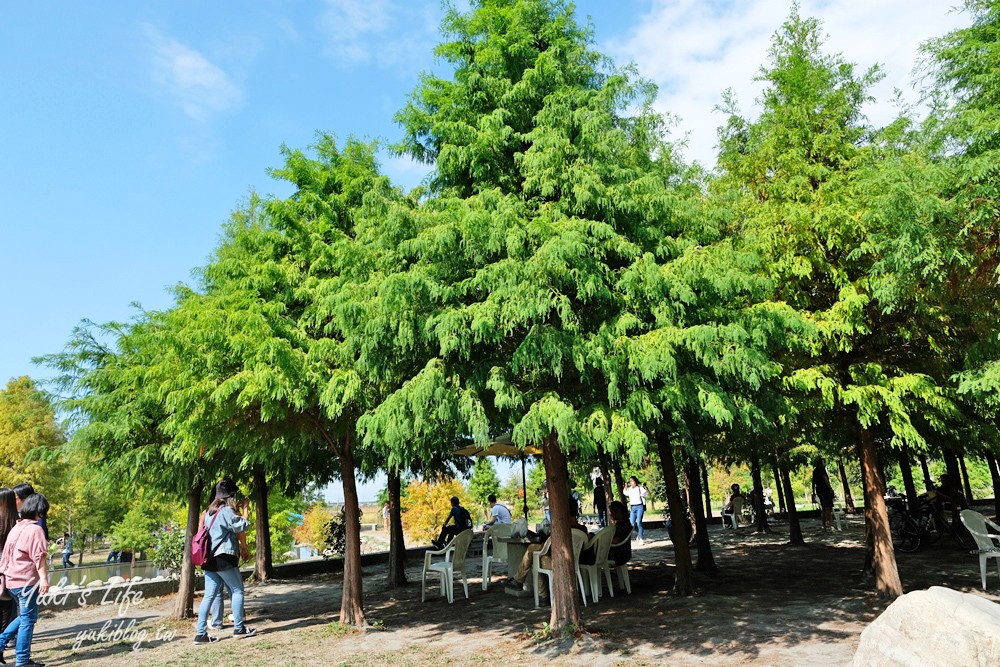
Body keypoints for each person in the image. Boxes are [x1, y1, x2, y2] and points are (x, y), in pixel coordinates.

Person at [194, 479, 256, 643]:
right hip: (223, 557)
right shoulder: (226, 510)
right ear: (230, 496)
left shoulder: (208, 512)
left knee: (208, 596)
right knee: (237, 590)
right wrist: (245, 508)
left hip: (209, 559)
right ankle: (239, 628)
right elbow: (242, 526)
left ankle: (200, 634)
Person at [0, 493, 51, 666]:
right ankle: (22, 661)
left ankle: (1, 644)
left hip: (12, 581)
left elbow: (6, 556)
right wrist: (44, 579)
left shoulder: (17, 527)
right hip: (26, 582)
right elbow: (39, 558)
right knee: (28, 621)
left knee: (25, 617)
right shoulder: (35, 529)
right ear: (40, 510)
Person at [0, 489, 19, 649]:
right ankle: (5, 642)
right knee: (8, 607)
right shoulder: (18, 522)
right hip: (12, 570)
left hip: (4, 567)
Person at [623, 476, 649, 544]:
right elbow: (625, 493)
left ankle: (641, 538)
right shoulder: (629, 489)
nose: (631, 483)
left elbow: (646, 494)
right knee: (632, 523)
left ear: (635, 481)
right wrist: (625, 486)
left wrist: (645, 488)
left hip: (640, 507)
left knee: (639, 522)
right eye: (630, 481)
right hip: (633, 508)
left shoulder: (639, 488)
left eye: (632, 481)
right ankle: (639, 533)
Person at [812, 459, 836, 530]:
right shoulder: (822, 471)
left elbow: (813, 482)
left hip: (819, 491)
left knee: (823, 508)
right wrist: (830, 488)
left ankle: (824, 525)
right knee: (828, 508)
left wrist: (813, 491)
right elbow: (825, 479)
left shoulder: (815, 471)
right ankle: (828, 524)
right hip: (825, 491)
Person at [608, 501, 632, 567]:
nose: (611, 515)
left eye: (612, 512)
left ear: (618, 512)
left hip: (618, 554)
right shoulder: (623, 523)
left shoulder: (623, 525)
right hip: (622, 552)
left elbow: (616, 540)